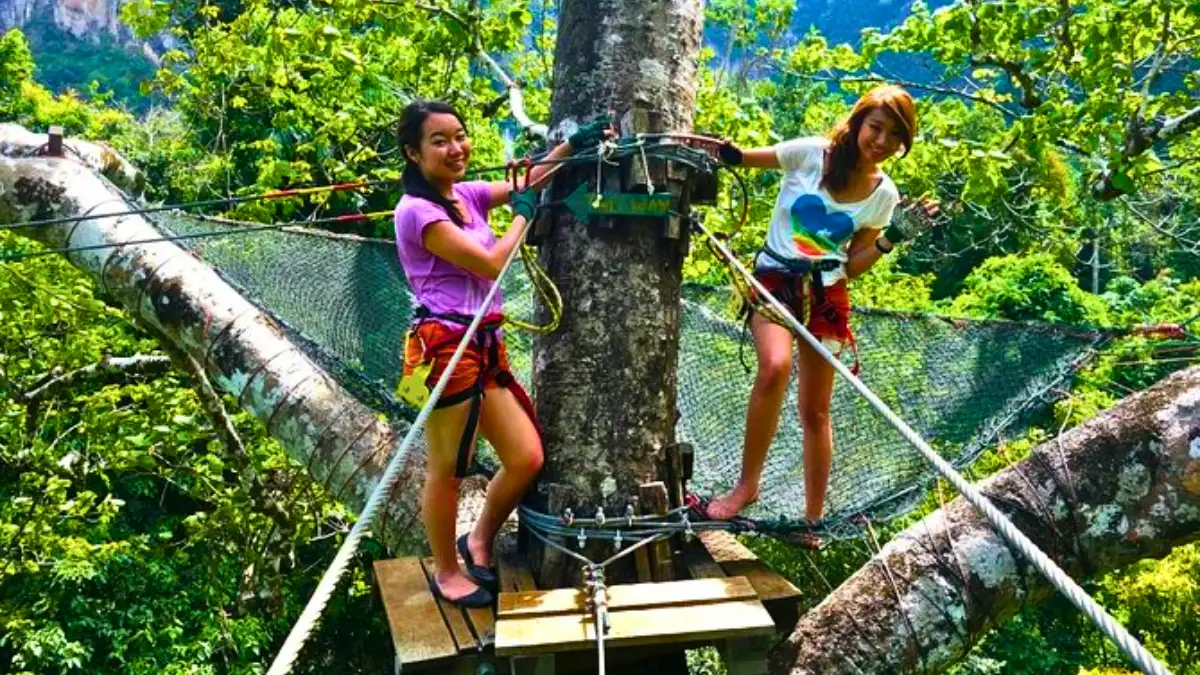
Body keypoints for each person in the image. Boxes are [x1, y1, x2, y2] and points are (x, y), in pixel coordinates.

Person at [394, 100, 609, 606]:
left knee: (526, 456)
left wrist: (569, 148)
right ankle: (447, 572)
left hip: (484, 345)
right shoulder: (417, 211)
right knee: (448, 468)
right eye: (440, 141)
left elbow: (526, 181)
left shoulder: (464, 195)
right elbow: (491, 262)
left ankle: (480, 539)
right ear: (414, 153)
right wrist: (520, 219)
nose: (456, 148)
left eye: (460, 135)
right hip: (447, 348)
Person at [706, 85, 936, 547]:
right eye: (876, 127)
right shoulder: (810, 154)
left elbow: (851, 263)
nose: (882, 141)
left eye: (894, 134)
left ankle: (813, 519)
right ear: (857, 124)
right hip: (775, 279)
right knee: (774, 367)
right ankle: (746, 488)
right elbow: (740, 159)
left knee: (816, 409)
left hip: (828, 292)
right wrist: (707, 147)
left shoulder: (882, 194)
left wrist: (891, 239)